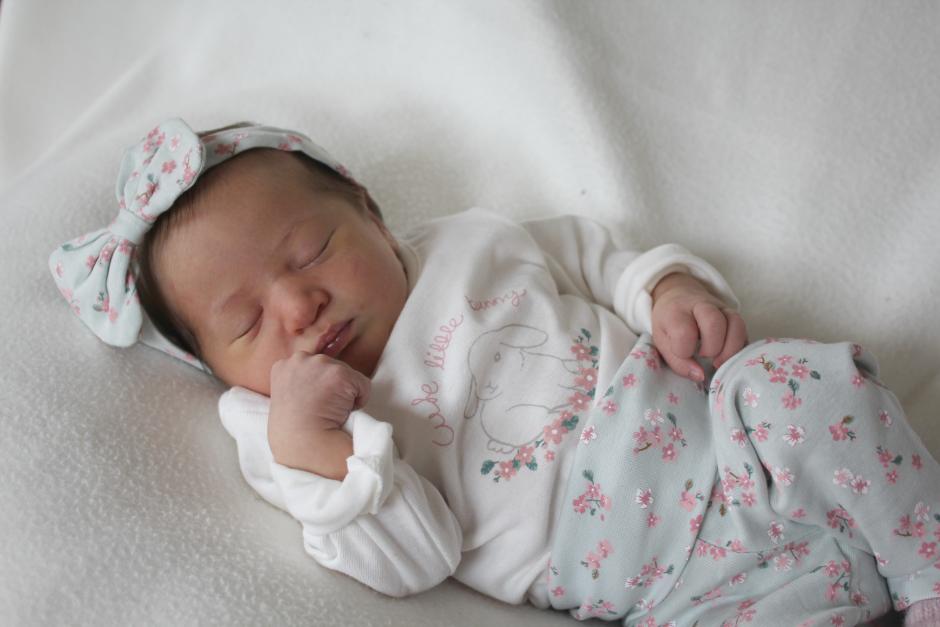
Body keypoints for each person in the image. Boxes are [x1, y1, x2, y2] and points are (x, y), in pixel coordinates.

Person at [49, 118, 940, 626]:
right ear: (216, 371)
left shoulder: (467, 244)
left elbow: (593, 258)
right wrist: (320, 451)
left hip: (737, 441)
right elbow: (417, 560)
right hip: (677, 591)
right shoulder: (281, 433)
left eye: (313, 250)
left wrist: (666, 290)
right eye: (246, 323)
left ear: (370, 212)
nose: (298, 305)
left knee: (791, 383)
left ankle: (926, 566)